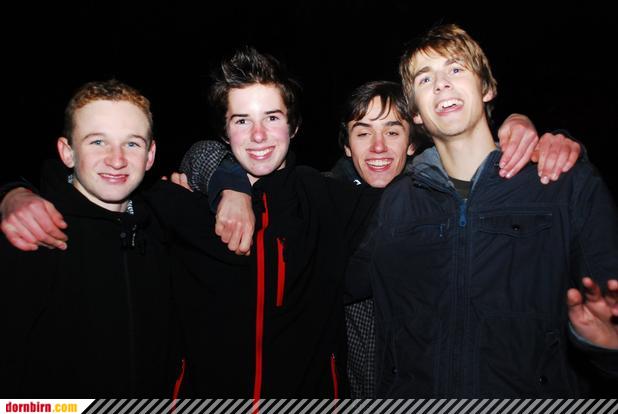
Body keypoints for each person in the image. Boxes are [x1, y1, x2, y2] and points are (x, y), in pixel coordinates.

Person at [0, 50, 582, 397]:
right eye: (241, 121)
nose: (258, 135)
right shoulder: (173, 205)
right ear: (224, 132)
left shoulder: (332, 199)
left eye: (272, 118)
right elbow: (97, 197)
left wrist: (519, 130)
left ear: (294, 127)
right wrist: (13, 193)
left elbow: (441, 180)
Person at [346, 23, 618, 397]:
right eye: (425, 78)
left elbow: (606, 315)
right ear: (417, 114)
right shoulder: (396, 203)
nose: (441, 84)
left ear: (487, 88)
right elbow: (329, 287)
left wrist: (605, 347)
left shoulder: (565, 185)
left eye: (456, 69)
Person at [0, 80, 179, 396]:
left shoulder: (162, 233)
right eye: (98, 142)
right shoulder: (33, 234)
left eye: (132, 144)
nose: (116, 159)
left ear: (150, 155)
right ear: (67, 152)